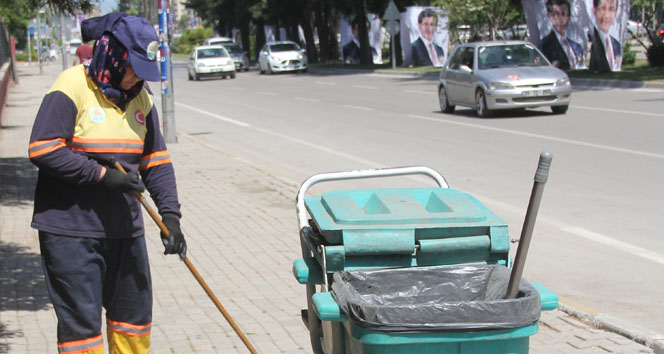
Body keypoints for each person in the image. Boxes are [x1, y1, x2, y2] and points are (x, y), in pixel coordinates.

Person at [28, 13, 185, 354]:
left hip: (124, 231)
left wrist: (171, 217)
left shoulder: (141, 99)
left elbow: (156, 162)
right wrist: (102, 175)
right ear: (114, 55)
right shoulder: (71, 86)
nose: (136, 80)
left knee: (134, 322)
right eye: (133, 70)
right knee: (82, 331)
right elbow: (43, 148)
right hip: (70, 232)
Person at [541, 0, 584, 70]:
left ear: (569, 16)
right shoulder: (545, 45)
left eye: (563, 14)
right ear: (549, 16)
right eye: (556, 14)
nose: (560, 19)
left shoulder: (575, 45)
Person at [589, 0, 621, 73]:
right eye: (602, 8)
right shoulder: (596, 41)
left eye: (611, 9)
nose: (606, 16)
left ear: (615, 12)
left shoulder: (616, 44)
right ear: (594, 11)